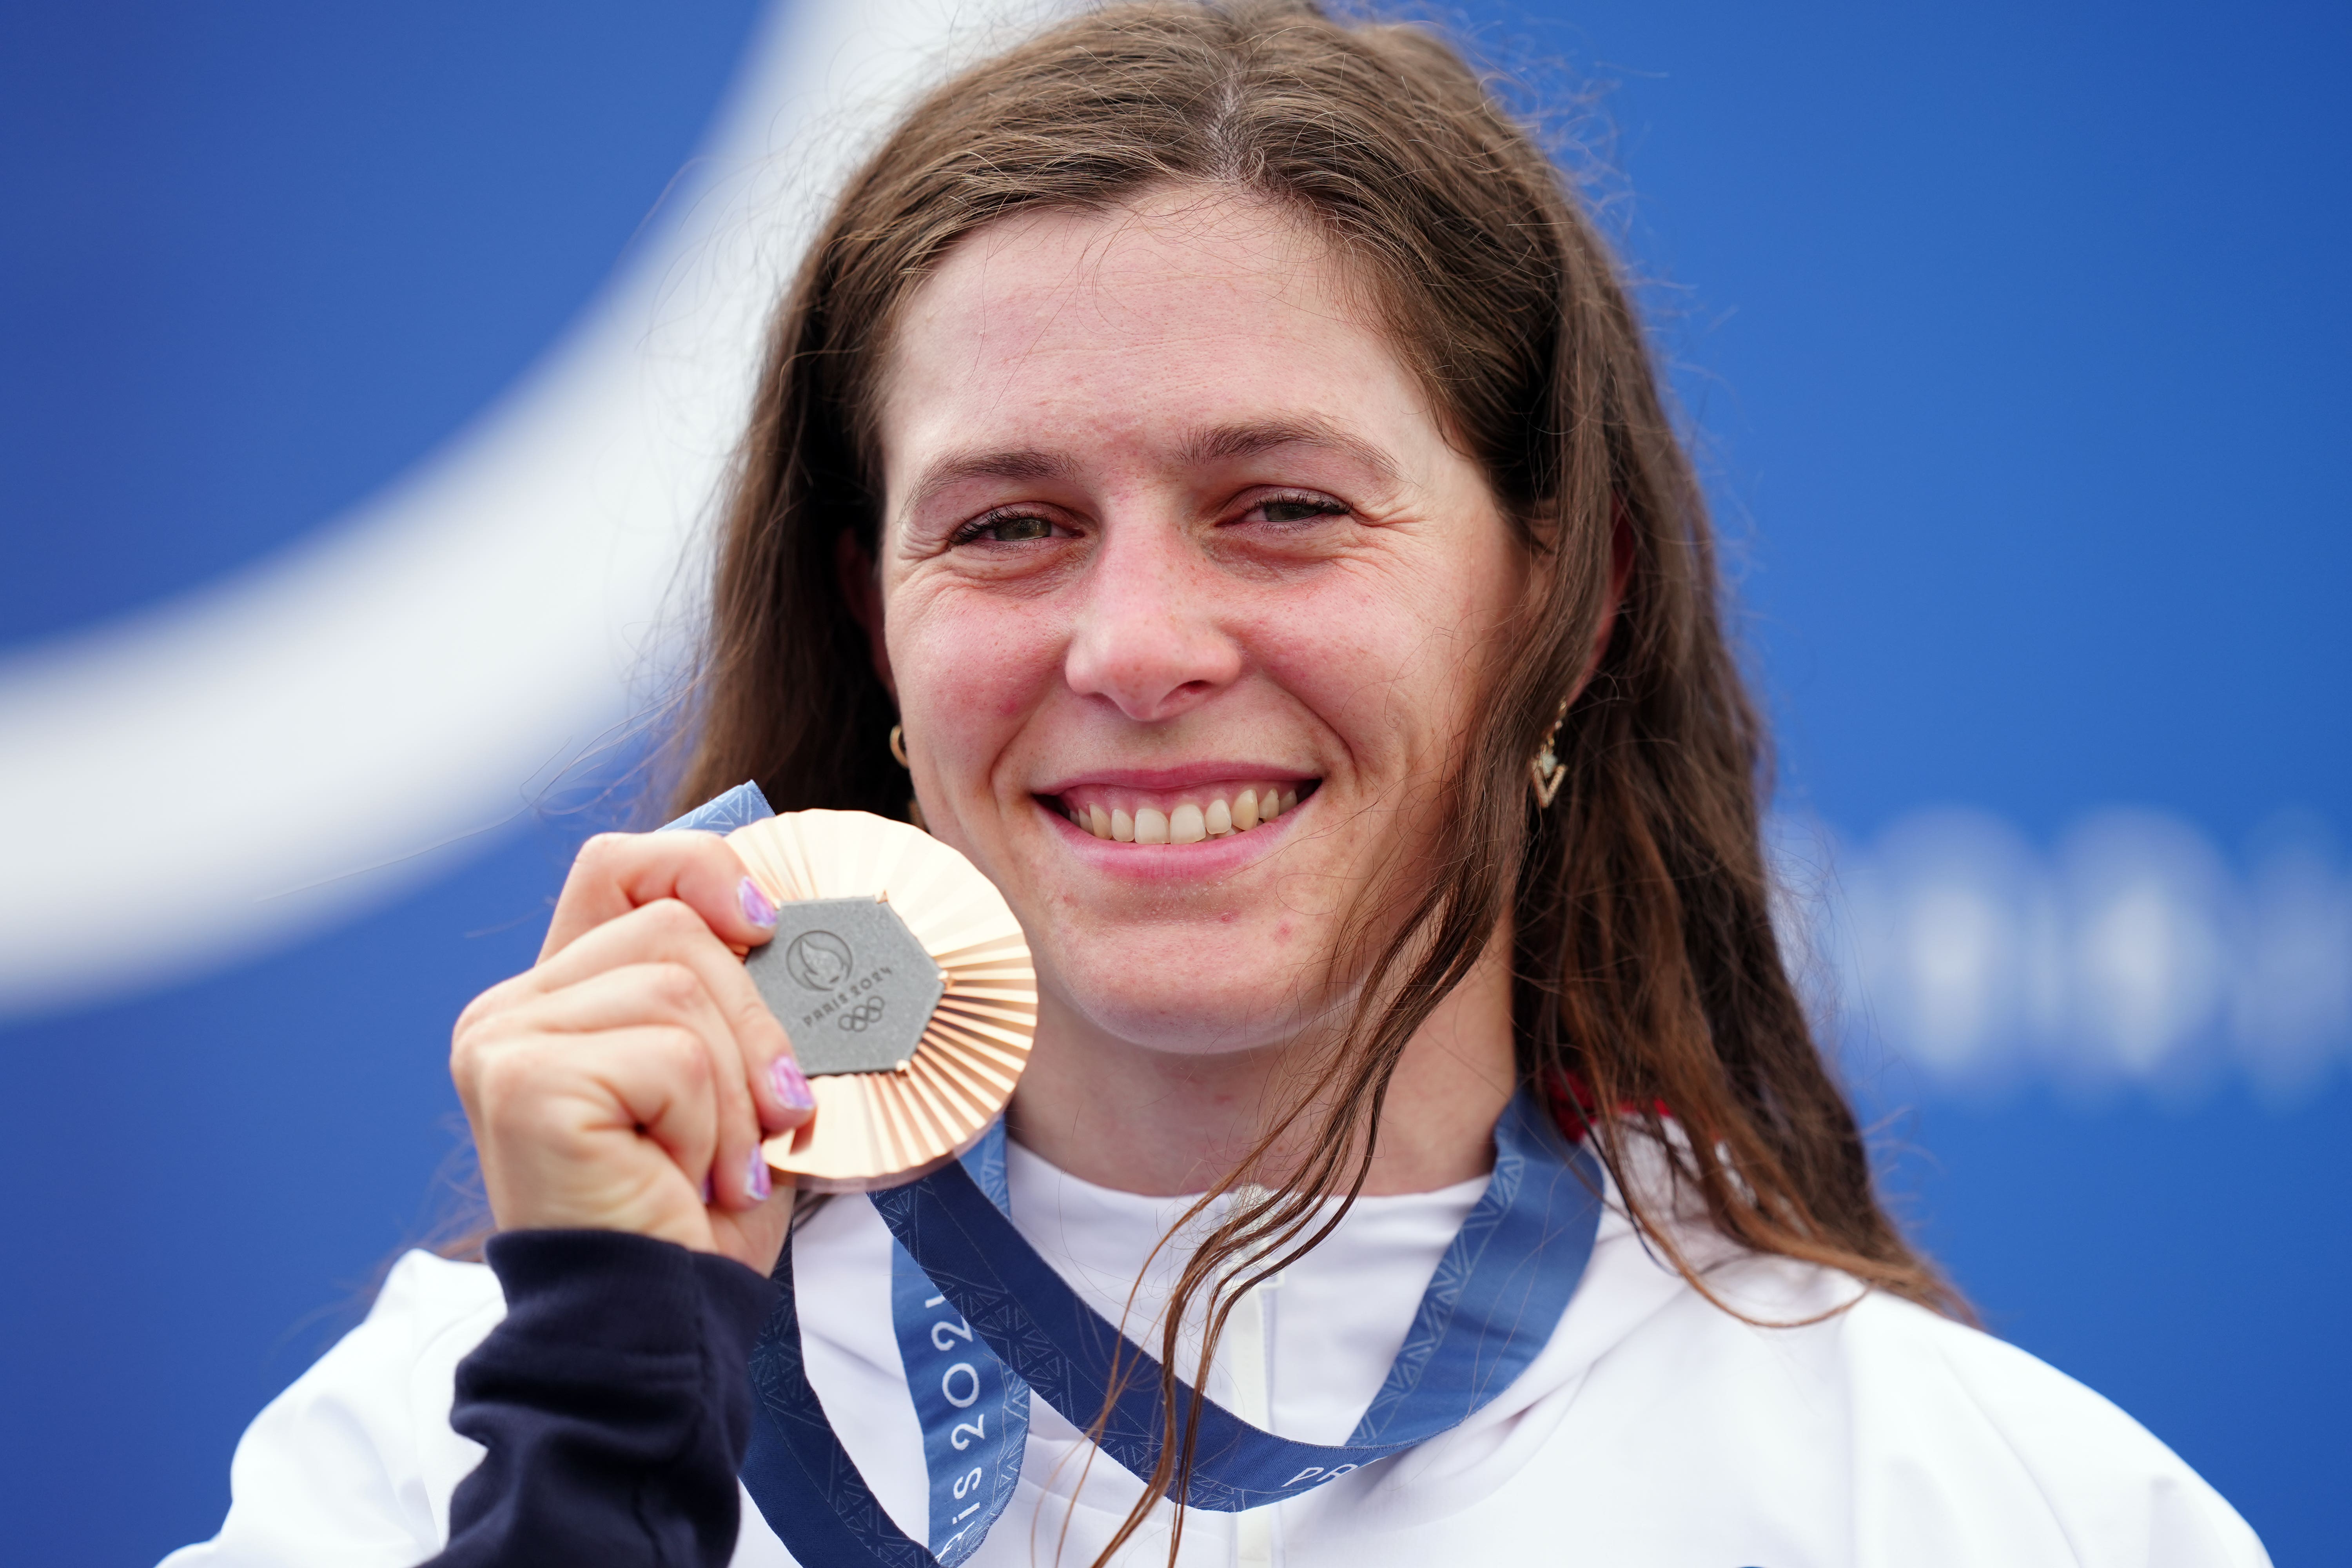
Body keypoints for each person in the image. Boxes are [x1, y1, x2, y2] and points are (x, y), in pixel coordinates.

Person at [162, 3, 2270, 1565]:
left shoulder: (1972, 1505)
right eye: (1009, 524)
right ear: (875, 626)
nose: (1139, 645)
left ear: (1572, 595)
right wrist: (600, 1432)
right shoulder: (445, 1445)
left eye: (1278, 507)